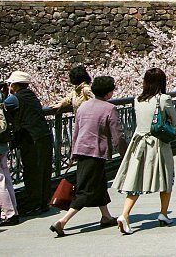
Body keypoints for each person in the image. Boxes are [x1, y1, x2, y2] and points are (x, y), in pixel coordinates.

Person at [50, 76, 129, 237]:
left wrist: (73, 152)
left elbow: (76, 130)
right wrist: (124, 153)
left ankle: (106, 216)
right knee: (85, 190)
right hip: (95, 151)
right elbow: (118, 135)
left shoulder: (83, 107)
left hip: (81, 149)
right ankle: (62, 221)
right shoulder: (109, 108)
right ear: (108, 93)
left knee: (99, 183)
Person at [113, 68, 176, 234]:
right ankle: (163, 213)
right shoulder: (164, 99)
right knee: (166, 177)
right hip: (158, 144)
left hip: (139, 143)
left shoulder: (137, 99)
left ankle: (124, 214)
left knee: (137, 181)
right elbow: (175, 120)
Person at [3, 71, 53, 216]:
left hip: (31, 139)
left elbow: (3, 106)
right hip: (43, 136)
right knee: (44, 170)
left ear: (16, 85)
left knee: (32, 171)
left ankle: (33, 204)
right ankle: (43, 203)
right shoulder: (31, 96)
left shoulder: (15, 99)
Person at [0, 98, 18, 226]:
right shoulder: (0, 98)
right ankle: (13, 211)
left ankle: (8, 214)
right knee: (5, 177)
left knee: (0, 180)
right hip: (2, 143)